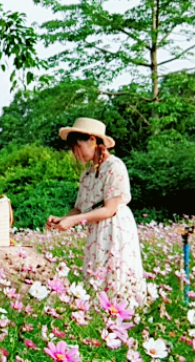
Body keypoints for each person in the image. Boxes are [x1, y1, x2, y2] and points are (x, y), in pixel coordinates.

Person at [46, 117, 148, 310]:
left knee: (116, 277)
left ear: (92, 140)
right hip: (96, 231)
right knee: (96, 279)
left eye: (77, 147)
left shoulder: (114, 167)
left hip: (114, 228)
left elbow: (109, 209)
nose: (75, 153)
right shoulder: (88, 173)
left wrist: (74, 221)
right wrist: (63, 219)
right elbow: (82, 207)